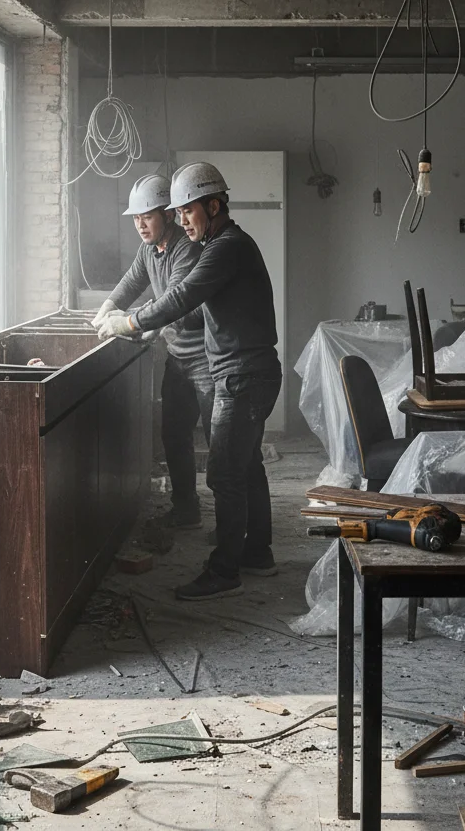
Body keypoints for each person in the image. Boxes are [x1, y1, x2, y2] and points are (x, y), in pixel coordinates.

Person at [98, 162, 282, 602]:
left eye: (188, 212)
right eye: (177, 213)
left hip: (241, 375)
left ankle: (225, 570)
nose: (182, 221)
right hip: (247, 372)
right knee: (245, 464)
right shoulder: (222, 243)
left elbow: (180, 298)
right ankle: (256, 552)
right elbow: (151, 288)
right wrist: (117, 309)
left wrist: (126, 322)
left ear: (214, 206)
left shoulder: (225, 248)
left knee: (224, 472)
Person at [93, 173, 214, 530]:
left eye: (147, 216)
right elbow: (132, 281)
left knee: (218, 443)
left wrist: (132, 323)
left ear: (168, 214)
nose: (140, 224)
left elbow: (175, 303)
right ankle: (186, 510)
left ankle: (231, 529)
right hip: (178, 358)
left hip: (205, 360)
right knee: (174, 435)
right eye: (135, 218)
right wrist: (106, 309)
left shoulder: (186, 248)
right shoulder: (150, 249)